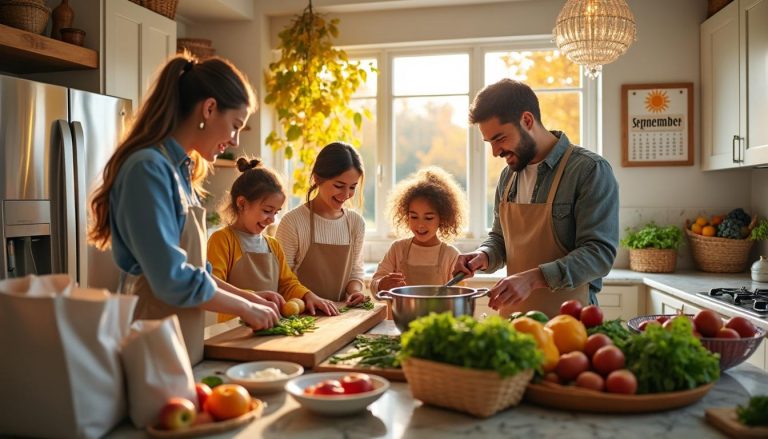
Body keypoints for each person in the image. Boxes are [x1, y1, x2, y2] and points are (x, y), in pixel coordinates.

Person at [89, 54, 281, 365]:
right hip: (150, 339)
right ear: (209, 108)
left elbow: (197, 272)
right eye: (234, 126)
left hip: (180, 340)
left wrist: (249, 297)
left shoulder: (181, 171)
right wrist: (245, 309)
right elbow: (172, 278)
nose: (232, 141)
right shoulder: (148, 169)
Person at [453, 78, 619, 318]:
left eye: (500, 139)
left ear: (527, 121)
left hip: (569, 322)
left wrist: (534, 279)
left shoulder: (589, 170)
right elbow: (500, 239)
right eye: (490, 142)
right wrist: (484, 255)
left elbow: (599, 254)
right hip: (514, 321)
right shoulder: (508, 176)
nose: (495, 151)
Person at [207, 157, 339, 321]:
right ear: (241, 204)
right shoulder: (222, 240)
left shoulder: (273, 245)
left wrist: (308, 295)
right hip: (232, 332)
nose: (272, 219)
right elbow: (214, 286)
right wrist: (253, 298)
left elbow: (287, 284)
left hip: (268, 325)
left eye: (276, 212)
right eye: (267, 210)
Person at [276, 142, 368, 307]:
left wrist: (355, 292)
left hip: (338, 315)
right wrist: (308, 298)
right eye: (339, 186)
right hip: (301, 316)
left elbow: (355, 272)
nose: (346, 194)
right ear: (317, 178)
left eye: (352, 187)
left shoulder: (356, 223)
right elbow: (282, 280)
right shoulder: (292, 222)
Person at [370, 166, 466, 293]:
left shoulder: (451, 255)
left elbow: (459, 295)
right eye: (414, 217)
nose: (420, 224)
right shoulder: (398, 249)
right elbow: (375, 284)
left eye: (428, 218)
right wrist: (381, 284)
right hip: (398, 313)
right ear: (406, 216)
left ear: (442, 218)